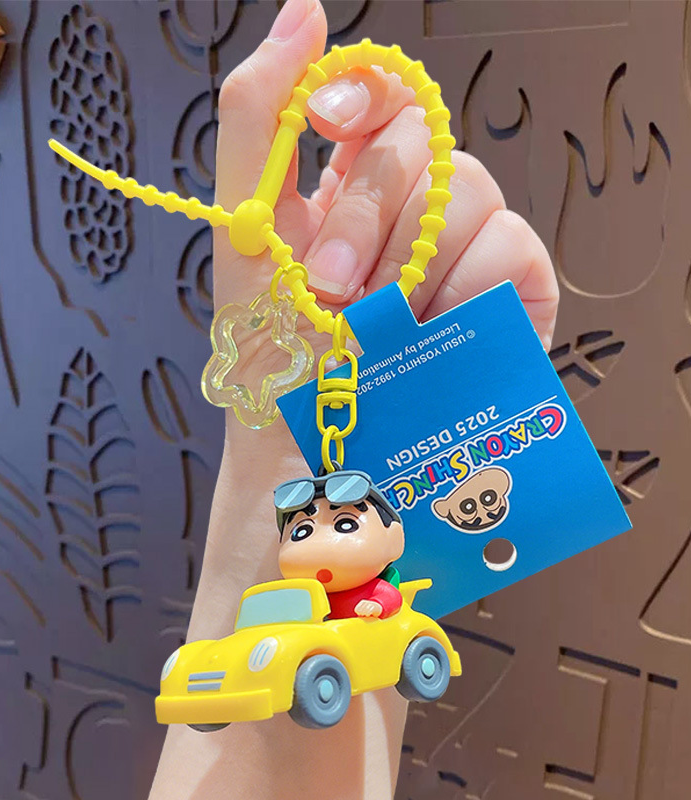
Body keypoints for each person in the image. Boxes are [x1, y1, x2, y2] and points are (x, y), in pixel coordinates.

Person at [148, 0, 558, 797]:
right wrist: (279, 463)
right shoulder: (287, 606)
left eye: (331, 522)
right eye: (305, 525)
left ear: (388, 531)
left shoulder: (376, 603)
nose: (315, 536)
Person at [275, 470, 405, 619]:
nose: (320, 543)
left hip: (369, 629)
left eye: (346, 524)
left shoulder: (375, 588)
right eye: (302, 532)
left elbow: (392, 598)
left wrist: (377, 604)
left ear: (394, 541)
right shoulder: (306, 596)